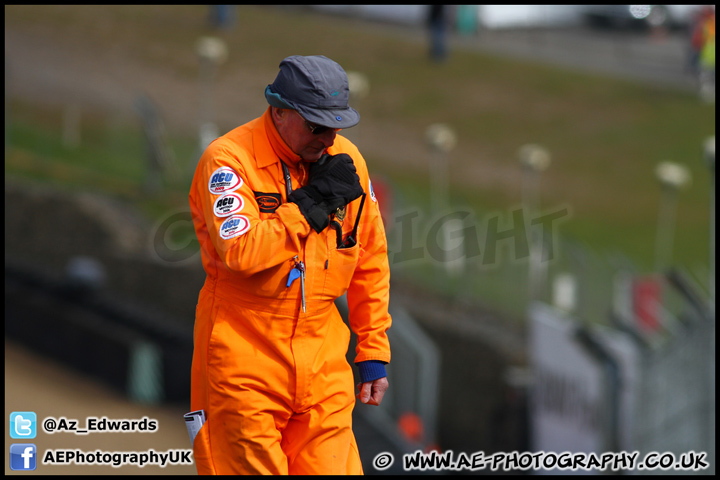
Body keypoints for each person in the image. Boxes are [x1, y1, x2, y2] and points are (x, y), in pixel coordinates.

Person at [188, 55, 392, 475]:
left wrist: (373, 350)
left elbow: (369, 258)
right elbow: (241, 252)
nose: (328, 137)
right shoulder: (228, 161)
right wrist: (310, 206)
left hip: (324, 361)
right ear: (279, 112)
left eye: (337, 125)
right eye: (316, 125)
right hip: (242, 360)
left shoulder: (346, 160)